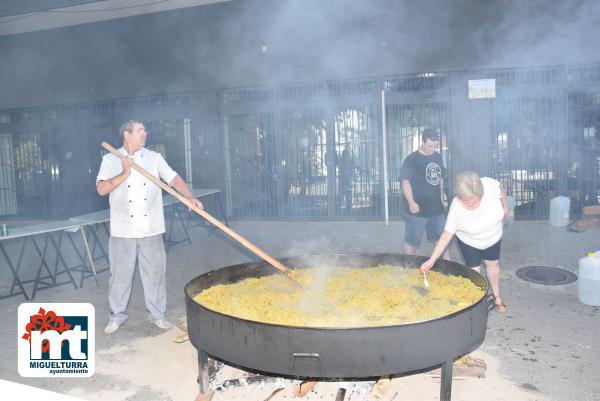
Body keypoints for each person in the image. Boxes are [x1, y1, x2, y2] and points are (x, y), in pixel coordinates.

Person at [96, 120, 203, 334]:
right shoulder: (110, 159)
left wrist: (189, 196)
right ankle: (116, 316)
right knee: (120, 277)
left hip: (151, 227)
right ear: (127, 134)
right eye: (140, 131)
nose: (145, 134)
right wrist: (124, 174)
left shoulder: (153, 158)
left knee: (155, 273)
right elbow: (101, 189)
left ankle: (157, 316)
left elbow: (173, 178)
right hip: (122, 230)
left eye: (145, 130)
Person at [420, 171, 510, 313]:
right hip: (469, 241)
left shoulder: (488, 184)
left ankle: (497, 296)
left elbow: (501, 191)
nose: (470, 204)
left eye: (473, 199)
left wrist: (506, 207)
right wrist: (432, 260)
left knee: (493, 264)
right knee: (475, 272)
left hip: (493, 236)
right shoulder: (456, 208)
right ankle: (477, 303)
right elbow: (446, 236)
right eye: (465, 200)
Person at [400, 128, 449, 258]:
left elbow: (440, 178)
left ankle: (448, 265)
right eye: (430, 146)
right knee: (412, 241)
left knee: (441, 238)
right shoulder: (411, 159)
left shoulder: (437, 157)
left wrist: (442, 195)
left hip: (436, 208)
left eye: (435, 146)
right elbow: (405, 182)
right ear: (422, 142)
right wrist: (411, 202)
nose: (432, 149)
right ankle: (408, 266)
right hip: (417, 209)